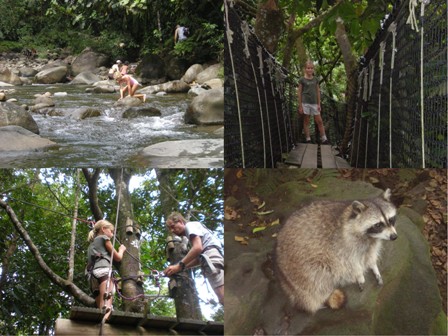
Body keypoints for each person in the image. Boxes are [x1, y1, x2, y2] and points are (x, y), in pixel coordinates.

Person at [164, 212, 224, 305]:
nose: (172, 230)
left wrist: (179, 266)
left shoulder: (189, 226)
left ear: (180, 221)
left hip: (211, 259)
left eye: (173, 226)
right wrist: (179, 268)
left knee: (223, 297)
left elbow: (197, 248)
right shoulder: (197, 232)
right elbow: (199, 259)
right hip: (214, 257)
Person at [87, 220, 126, 319]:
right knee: (107, 303)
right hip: (103, 270)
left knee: (101, 307)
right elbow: (117, 257)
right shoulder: (104, 238)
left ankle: (102, 324)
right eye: (111, 231)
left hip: (92, 276)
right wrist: (121, 250)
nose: (112, 234)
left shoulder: (91, 244)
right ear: (104, 229)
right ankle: (106, 325)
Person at [298, 60, 329, 144]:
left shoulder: (316, 80)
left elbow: (318, 92)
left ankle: (324, 139)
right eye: (308, 68)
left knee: (319, 121)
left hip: (315, 103)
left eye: (311, 68)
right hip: (305, 103)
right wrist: (300, 105)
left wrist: (319, 104)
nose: (310, 70)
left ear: (313, 69)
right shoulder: (302, 80)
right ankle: (308, 139)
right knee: (306, 121)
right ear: (305, 69)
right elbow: (299, 92)